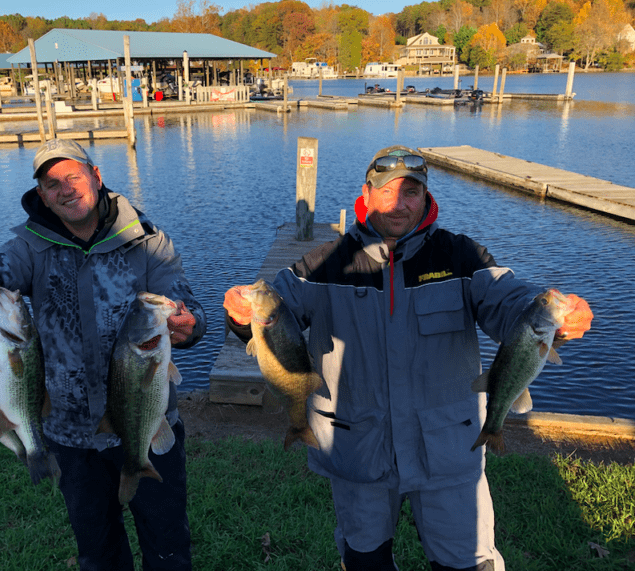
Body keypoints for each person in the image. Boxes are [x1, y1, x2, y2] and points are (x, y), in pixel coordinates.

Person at [223, 145, 592, 571]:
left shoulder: (463, 257)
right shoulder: (322, 265)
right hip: (357, 449)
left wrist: (553, 318)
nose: (400, 203)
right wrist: (240, 313)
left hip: (449, 449)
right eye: (388, 190)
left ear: (426, 196)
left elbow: (511, 300)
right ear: (367, 192)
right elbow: (275, 309)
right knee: (364, 561)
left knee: (467, 563)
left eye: (412, 191)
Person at [0, 138, 206, 571]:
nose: (65, 189)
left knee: (169, 548)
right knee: (97, 555)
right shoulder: (28, 246)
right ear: (41, 195)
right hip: (71, 436)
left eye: (73, 176)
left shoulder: (149, 243)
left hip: (148, 421)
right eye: (51, 183)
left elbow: (188, 308)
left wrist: (189, 326)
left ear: (96, 177)